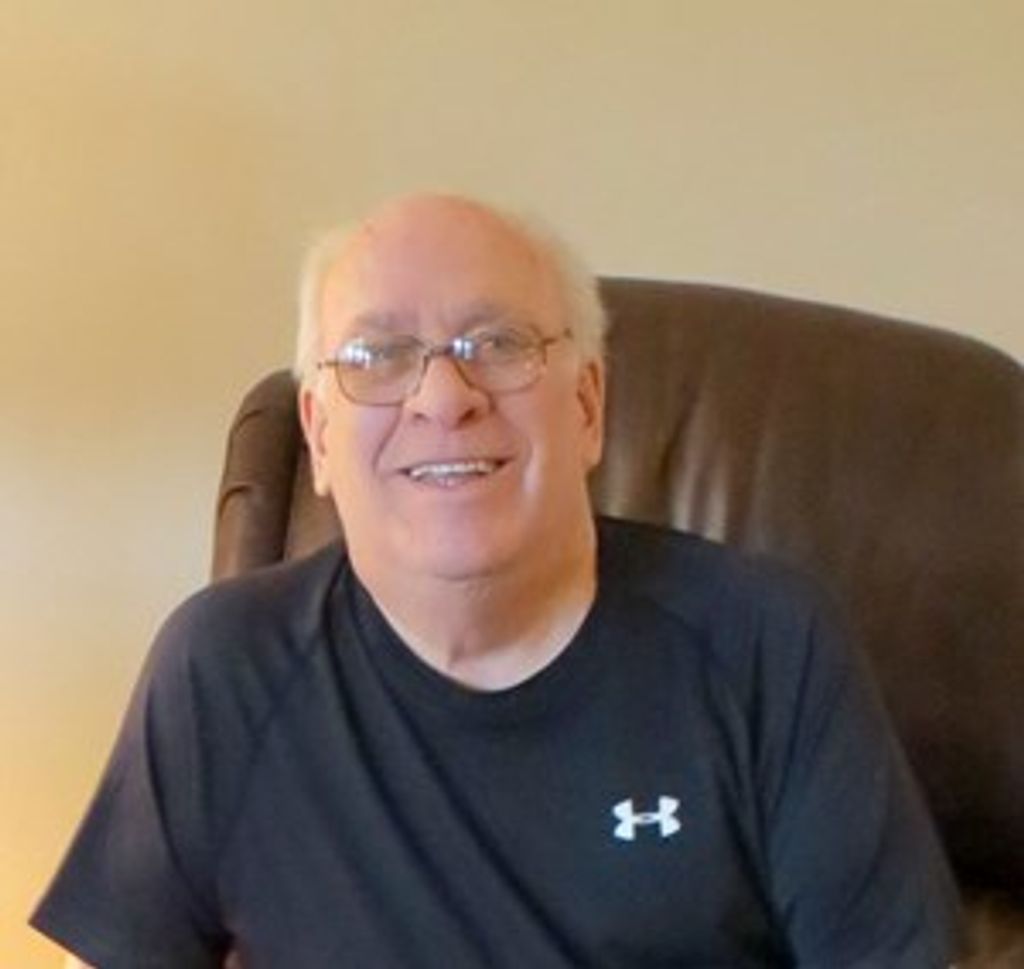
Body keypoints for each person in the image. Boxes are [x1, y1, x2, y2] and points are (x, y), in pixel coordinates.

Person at [33, 194, 962, 967]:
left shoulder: (767, 642)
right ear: (317, 434)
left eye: (498, 343)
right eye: (377, 357)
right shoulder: (222, 669)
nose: (445, 398)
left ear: (587, 406)